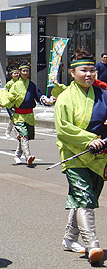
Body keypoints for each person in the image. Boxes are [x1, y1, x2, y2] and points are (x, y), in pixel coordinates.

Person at [54, 49, 106, 266]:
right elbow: (63, 129)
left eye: (92, 70)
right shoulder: (65, 97)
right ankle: (92, 244)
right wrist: (88, 140)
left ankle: (69, 238)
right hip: (74, 156)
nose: (88, 74)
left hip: (99, 157)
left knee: (84, 198)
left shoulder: (103, 94)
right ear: (72, 72)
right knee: (85, 199)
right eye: (83, 70)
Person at [0, 62, 52, 166]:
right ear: (20, 72)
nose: (25, 73)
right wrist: (1, 103)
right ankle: (28, 156)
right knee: (24, 135)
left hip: (29, 115)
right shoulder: (15, 85)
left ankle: (17, 155)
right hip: (19, 116)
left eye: (27, 71)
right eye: (23, 71)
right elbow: (9, 98)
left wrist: (47, 101)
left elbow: (39, 96)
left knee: (24, 137)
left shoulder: (32, 85)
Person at [4, 66, 20, 140]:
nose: (16, 75)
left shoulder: (20, 82)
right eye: (14, 73)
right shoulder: (9, 83)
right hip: (10, 103)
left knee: (13, 118)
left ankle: (8, 132)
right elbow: (4, 92)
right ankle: (17, 133)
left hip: (17, 103)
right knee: (14, 117)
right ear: (11, 74)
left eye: (17, 73)